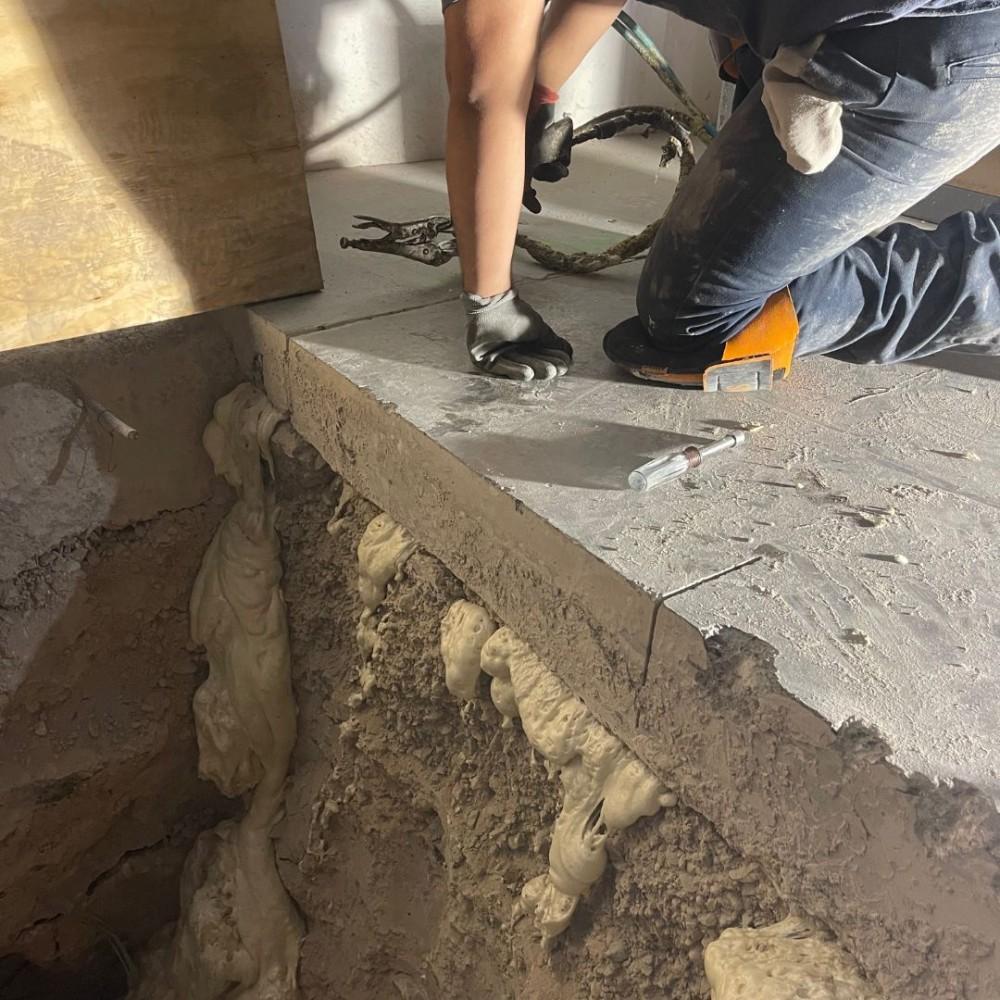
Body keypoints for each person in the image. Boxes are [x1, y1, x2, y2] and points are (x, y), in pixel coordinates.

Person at [442, 0, 1000, 390]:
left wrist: (490, 303)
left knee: (696, 317)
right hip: (859, 29)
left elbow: (482, 96)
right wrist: (539, 94)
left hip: (940, 36)